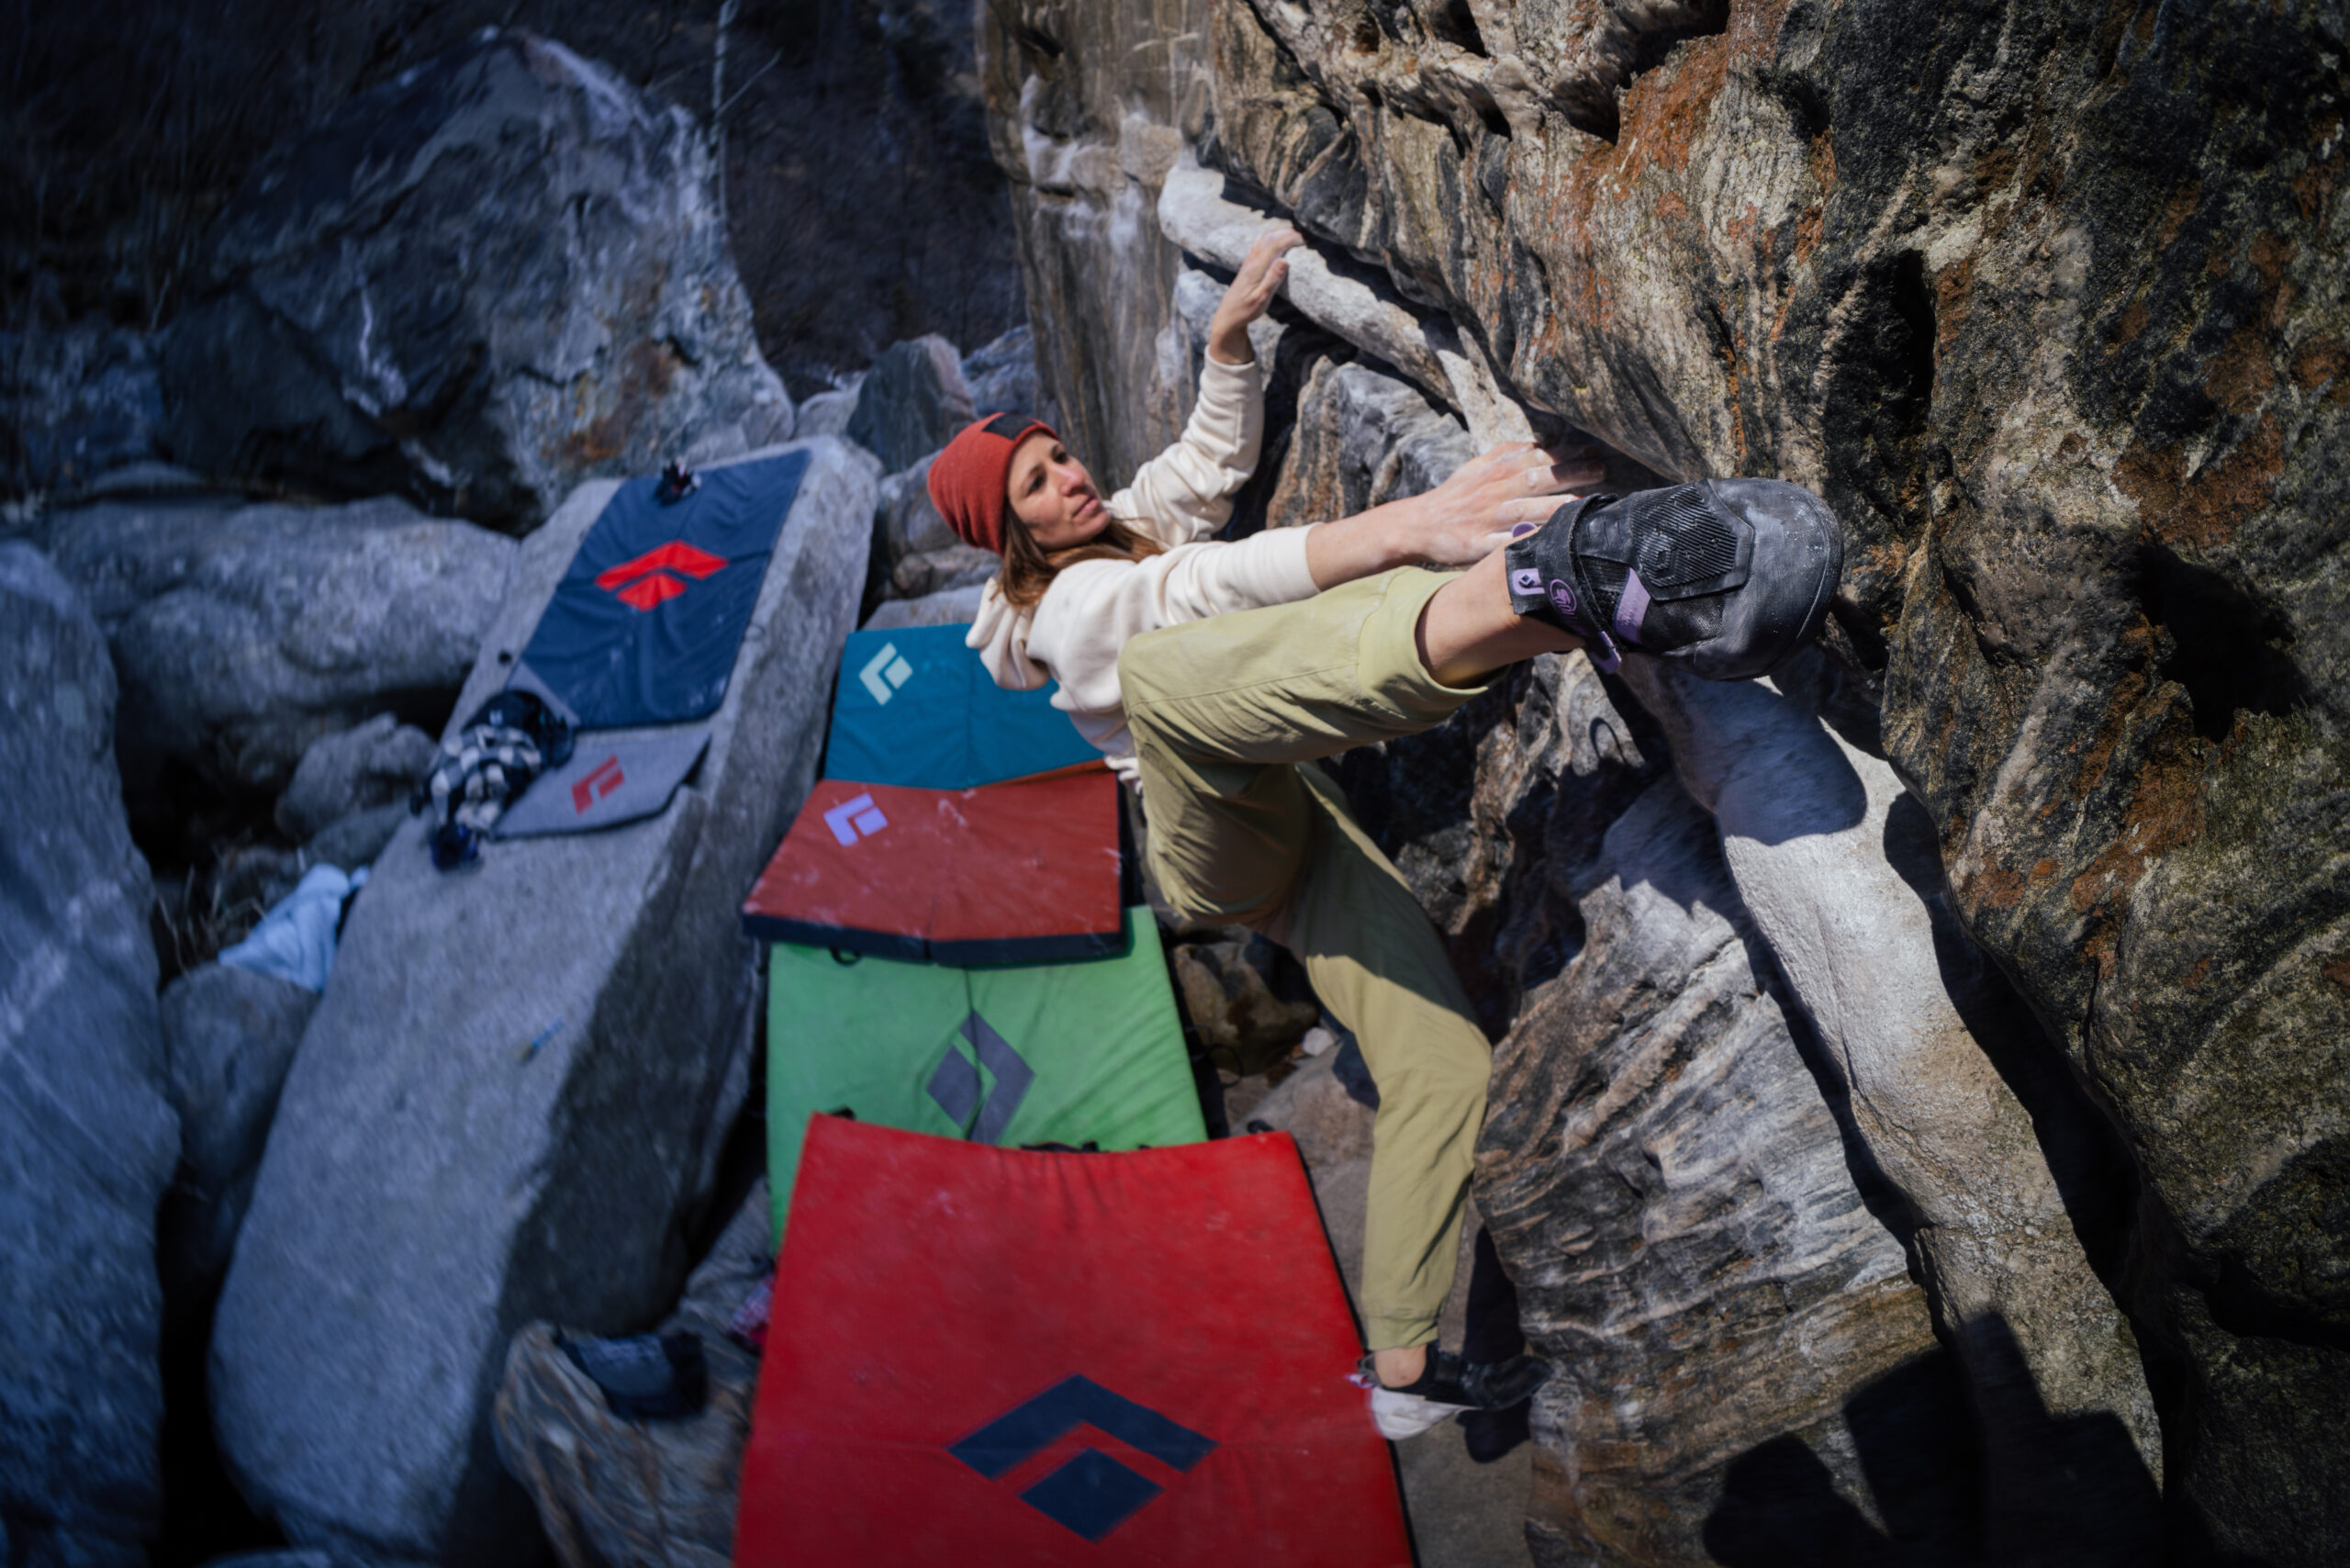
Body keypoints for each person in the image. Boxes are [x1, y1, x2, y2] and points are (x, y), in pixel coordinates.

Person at [929, 231, 1842, 1438]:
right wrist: (1411, 525)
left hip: (1288, 833)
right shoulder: (1067, 614)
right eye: (1038, 487)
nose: (1069, 479)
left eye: (1058, 454)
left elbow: (1200, 474)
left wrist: (1228, 344)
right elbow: (1198, 588)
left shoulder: (1109, 532)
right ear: (1010, 537)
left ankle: (1402, 1372)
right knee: (1165, 673)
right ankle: (1544, 586)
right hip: (1211, 844)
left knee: (1440, 1063)